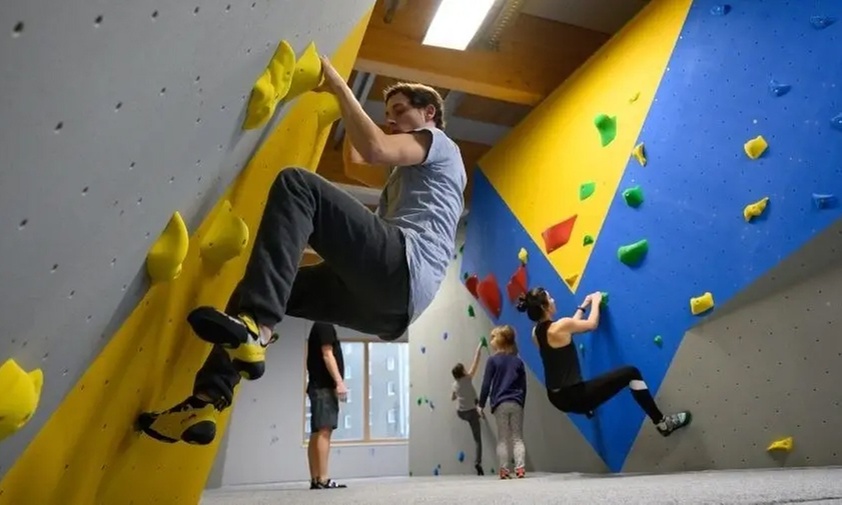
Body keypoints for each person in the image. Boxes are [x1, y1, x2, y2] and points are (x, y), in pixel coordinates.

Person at [136, 55, 467, 445]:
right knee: (254, 290)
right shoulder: (409, 175)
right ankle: (206, 402)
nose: (391, 120)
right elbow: (358, 159)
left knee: (299, 185)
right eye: (388, 114)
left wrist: (339, 84)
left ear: (429, 112)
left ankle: (257, 329)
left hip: (403, 269)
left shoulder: (440, 144)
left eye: (399, 111)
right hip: (390, 309)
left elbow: (375, 148)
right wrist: (335, 114)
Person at [516, 288, 692, 437]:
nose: (553, 300)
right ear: (544, 306)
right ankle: (662, 424)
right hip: (575, 396)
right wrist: (596, 302)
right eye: (549, 298)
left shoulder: (536, 333)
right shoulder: (561, 326)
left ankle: (587, 407)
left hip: (555, 397)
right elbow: (591, 324)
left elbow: (570, 327)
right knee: (631, 373)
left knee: (572, 382)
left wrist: (582, 306)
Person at [478, 325, 527, 479]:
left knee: (503, 438)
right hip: (516, 402)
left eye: (493, 337)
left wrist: (481, 404)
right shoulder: (518, 362)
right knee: (517, 437)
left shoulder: (492, 361)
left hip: (500, 403)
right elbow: (523, 386)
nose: (491, 340)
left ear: (499, 340)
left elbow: (486, 384)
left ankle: (504, 470)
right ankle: (520, 469)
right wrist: (521, 402)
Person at [305, 322, 347, 490]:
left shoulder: (319, 326)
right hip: (323, 388)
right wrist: (339, 382)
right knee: (324, 430)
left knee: (317, 432)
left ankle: (316, 478)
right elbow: (327, 354)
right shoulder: (324, 325)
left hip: (317, 387)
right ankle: (323, 478)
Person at [450, 341, 486, 476]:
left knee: (473, 400)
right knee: (477, 440)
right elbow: (476, 361)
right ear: (463, 372)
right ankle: (478, 462)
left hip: (461, 412)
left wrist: (459, 394)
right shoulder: (468, 378)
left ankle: (478, 408)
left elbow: (452, 398)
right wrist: (480, 346)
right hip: (471, 412)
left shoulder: (455, 384)